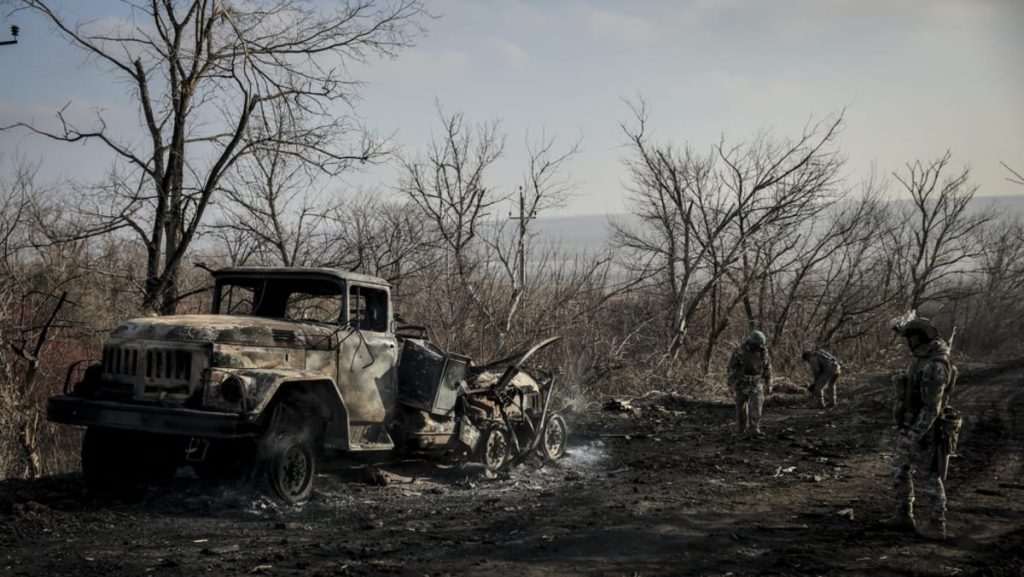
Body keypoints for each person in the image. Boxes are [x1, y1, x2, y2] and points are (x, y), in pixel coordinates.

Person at [883, 317, 958, 540]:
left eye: (911, 337)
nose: (909, 342)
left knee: (930, 478)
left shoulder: (935, 365)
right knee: (899, 469)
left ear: (920, 338)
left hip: (927, 430)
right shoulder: (921, 358)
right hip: (909, 424)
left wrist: (913, 436)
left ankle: (938, 524)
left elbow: (931, 409)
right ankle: (904, 515)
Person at [727, 330, 773, 438]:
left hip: (756, 384)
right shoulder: (740, 352)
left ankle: (754, 428)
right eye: (756, 345)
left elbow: (768, 369)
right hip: (741, 384)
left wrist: (769, 383)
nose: (758, 347)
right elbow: (731, 368)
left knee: (756, 407)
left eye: (759, 345)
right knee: (741, 408)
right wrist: (731, 384)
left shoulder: (763, 352)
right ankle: (741, 428)